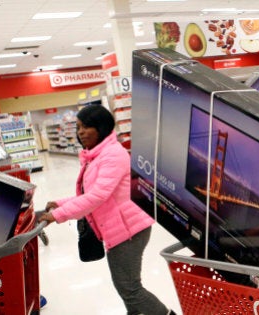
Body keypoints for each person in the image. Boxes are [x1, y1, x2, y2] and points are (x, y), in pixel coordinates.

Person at [37, 105, 176, 315]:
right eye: (78, 127)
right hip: (117, 227)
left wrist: (58, 215)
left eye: (86, 127)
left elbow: (97, 196)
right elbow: (91, 193)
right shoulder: (95, 156)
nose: (80, 132)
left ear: (101, 127)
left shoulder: (113, 155)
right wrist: (61, 203)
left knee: (130, 289)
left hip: (128, 230)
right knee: (126, 287)